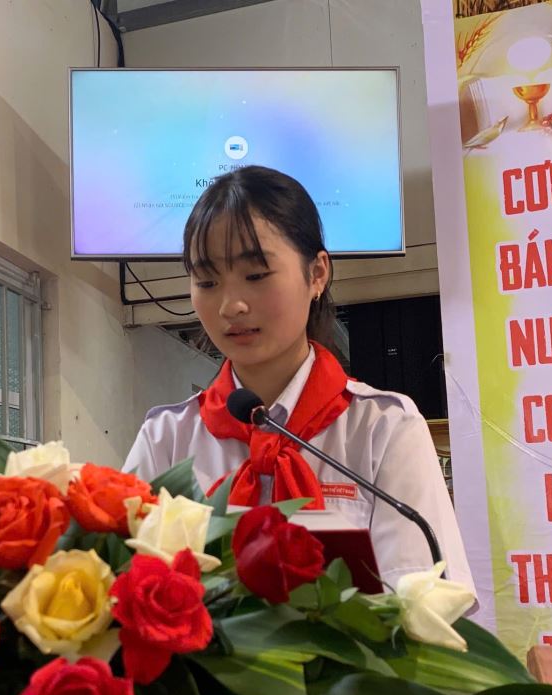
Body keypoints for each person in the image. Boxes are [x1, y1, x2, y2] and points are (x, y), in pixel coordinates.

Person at [123, 166, 474, 590]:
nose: (231, 305)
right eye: (207, 281)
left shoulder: (383, 429)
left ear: (317, 274)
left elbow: (424, 601)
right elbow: (126, 585)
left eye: (256, 275)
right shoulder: (166, 437)